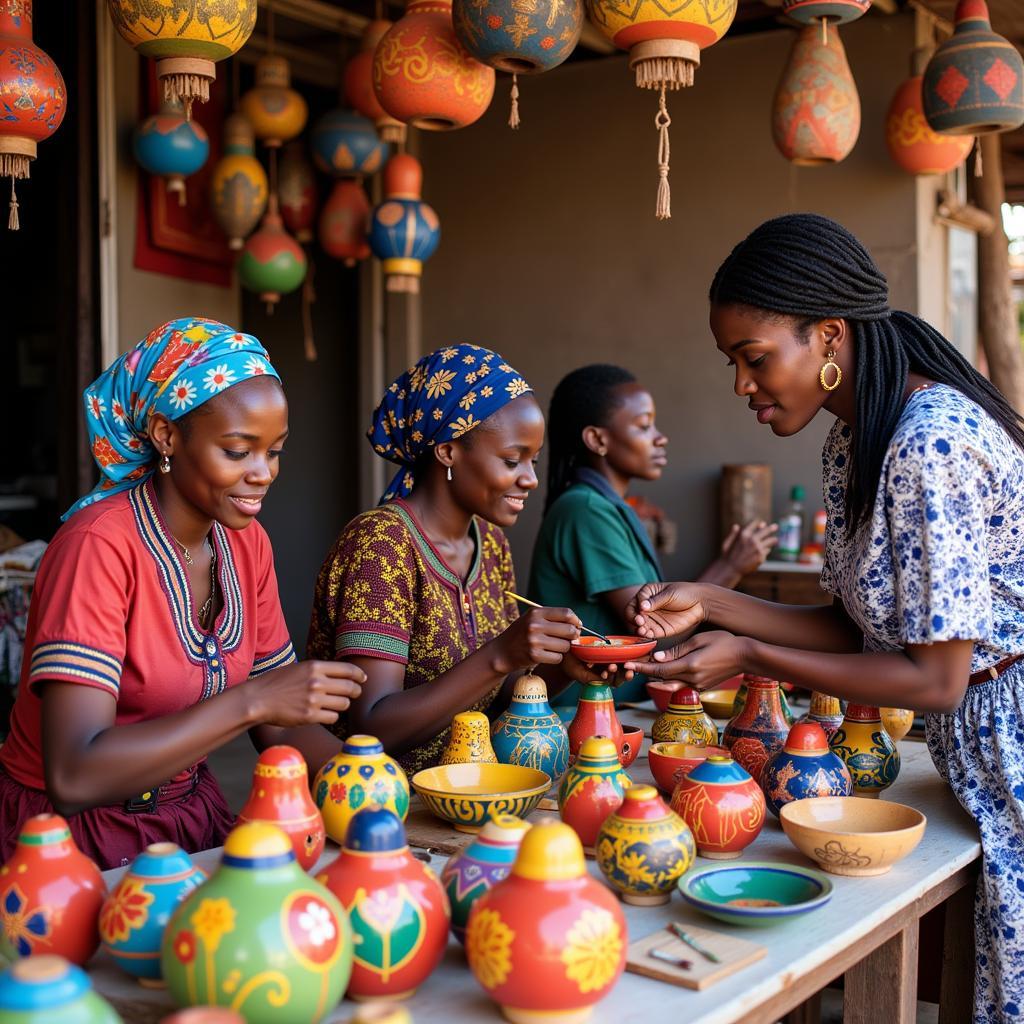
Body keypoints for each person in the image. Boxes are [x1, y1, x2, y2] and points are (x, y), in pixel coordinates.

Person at [624, 213, 1024, 1023]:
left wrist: (745, 654)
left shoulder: (927, 443)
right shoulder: (857, 438)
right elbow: (856, 629)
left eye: (755, 357)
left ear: (830, 338)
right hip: (980, 754)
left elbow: (936, 680)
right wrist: (710, 602)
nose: (742, 384)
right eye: (732, 361)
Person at [0, 317, 365, 869]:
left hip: (188, 819)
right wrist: (251, 700)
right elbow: (75, 773)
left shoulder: (246, 545)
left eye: (275, 451)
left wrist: (370, 783)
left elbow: (279, 722)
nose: (264, 473)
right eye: (239, 451)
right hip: (68, 845)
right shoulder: (98, 546)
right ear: (167, 435)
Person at [307, 344, 604, 775]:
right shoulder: (381, 543)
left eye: (534, 461)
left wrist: (564, 670)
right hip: (382, 804)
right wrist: (502, 654)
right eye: (511, 460)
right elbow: (371, 726)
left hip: (472, 789)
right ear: (447, 451)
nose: (531, 479)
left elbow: (493, 701)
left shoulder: (492, 543)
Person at [528, 364, 776, 704]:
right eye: (644, 426)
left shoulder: (604, 506)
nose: (661, 437)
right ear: (598, 439)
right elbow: (653, 635)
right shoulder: (586, 509)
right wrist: (730, 568)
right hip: (586, 716)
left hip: (620, 708)